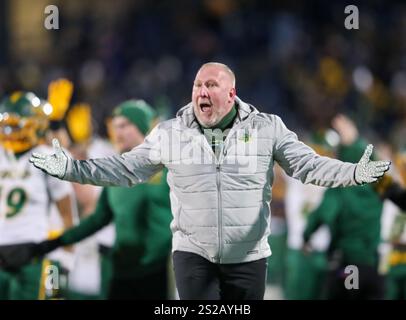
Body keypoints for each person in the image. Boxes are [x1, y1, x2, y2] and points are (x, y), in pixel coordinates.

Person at [30, 62, 391, 300]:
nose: (202, 91)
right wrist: (71, 168)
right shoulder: (170, 133)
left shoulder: (267, 128)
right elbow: (125, 169)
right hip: (193, 255)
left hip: (248, 255)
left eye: (212, 85)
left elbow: (309, 166)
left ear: (231, 94)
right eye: (197, 84)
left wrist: (354, 173)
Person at [33, 100, 173, 299]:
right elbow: (99, 218)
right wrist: (57, 241)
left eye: (124, 125)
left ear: (142, 127)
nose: (118, 132)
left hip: (159, 271)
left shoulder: (169, 167)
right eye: (115, 127)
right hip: (120, 272)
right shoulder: (116, 172)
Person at [0, 91, 76, 300]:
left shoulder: (48, 156)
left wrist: (67, 257)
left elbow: (67, 215)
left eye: (16, 125)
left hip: (37, 252)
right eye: (6, 125)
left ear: (36, 124)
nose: (9, 131)